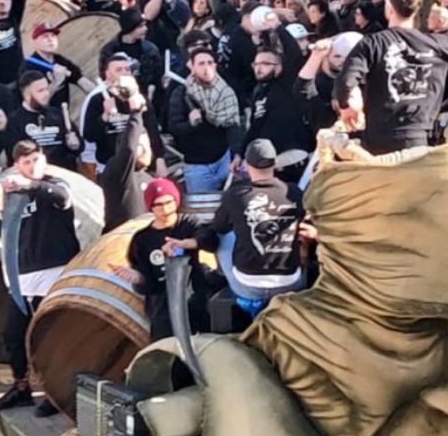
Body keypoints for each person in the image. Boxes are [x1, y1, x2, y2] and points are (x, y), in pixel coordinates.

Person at [0, 140, 81, 414]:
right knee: (13, 335)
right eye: (26, 162)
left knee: (50, 336)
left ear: (44, 160)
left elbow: (62, 199)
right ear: (17, 165)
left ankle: (56, 391)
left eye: (36, 160)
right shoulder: (14, 194)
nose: (32, 166)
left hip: (53, 271)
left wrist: (29, 185)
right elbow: (4, 229)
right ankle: (22, 386)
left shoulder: (53, 184)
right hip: (22, 276)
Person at [334, 0, 448, 155]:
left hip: (378, 140)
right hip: (419, 140)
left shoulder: (372, 44)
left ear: (389, 8)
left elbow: (345, 82)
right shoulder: (436, 44)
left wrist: (347, 107)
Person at [165, 139, 307, 312]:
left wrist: (192, 241)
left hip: (249, 285)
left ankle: (219, 276)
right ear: (275, 163)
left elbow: (215, 231)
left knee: (225, 235)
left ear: (247, 165)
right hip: (290, 282)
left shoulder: (236, 195)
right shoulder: (294, 192)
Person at [113, 179, 207, 339]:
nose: (165, 210)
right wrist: (138, 278)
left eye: (169, 202)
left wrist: (187, 243)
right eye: (158, 205)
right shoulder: (142, 240)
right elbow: (147, 286)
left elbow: (208, 238)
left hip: (194, 300)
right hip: (164, 310)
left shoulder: (187, 224)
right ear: (151, 207)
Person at [167, 47, 244, 192]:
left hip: (225, 160)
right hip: (197, 165)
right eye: (201, 63)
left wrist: (236, 154)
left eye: (210, 63)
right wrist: (190, 123)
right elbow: (174, 127)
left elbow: (233, 125)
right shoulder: (182, 94)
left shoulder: (226, 93)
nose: (206, 67)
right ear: (192, 67)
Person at [100, 90, 162, 231]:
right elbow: (129, 149)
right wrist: (136, 113)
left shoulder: (149, 178)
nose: (147, 152)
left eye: (148, 146)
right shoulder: (118, 172)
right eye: (141, 147)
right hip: (120, 242)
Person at [5, 71, 82, 171]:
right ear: (26, 95)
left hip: (64, 175)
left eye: (46, 89)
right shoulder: (15, 121)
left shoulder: (58, 114)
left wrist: (76, 144)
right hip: (35, 177)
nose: (46, 94)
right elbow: (13, 157)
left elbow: (79, 144)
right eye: (40, 91)